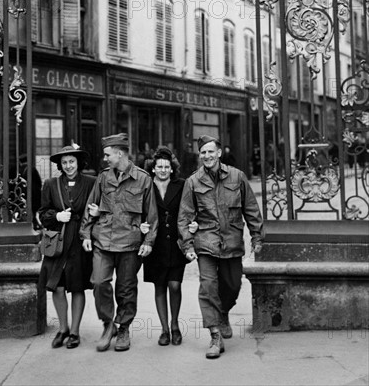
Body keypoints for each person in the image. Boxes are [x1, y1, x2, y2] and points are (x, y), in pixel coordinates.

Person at [177, 135, 264, 360]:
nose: (206, 156)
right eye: (202, 152)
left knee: (233, 284)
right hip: (206, 242)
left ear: (218, 153)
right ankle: (215, 335)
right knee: (207, 287)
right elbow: (184, 216)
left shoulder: (237, 176)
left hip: (232, 241)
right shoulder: (193, 182)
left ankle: (223, 311)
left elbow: (251, 209)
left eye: (210, 151)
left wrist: (257, 237)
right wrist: (187, 243)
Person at [80, 133, 158, 353]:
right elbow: (90, 205)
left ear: (120, 153)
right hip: (103, 240)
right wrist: (85, 234)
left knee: (126, 289)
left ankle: (123, 327)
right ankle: (108, 324)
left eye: (107, 154)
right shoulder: (103, 178)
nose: (104, 158)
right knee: (98, 282)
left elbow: (151, 216)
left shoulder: (143, 179)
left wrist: (149, 241)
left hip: (130, 244)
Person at [38, 144, 96, 349]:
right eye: (64, 163)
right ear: (60, 165)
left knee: (78, 286)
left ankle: (75, 332)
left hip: (80, 240)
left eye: (72, 161)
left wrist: (95, 214)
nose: (69, 166)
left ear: (78, 162)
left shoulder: (91, 182)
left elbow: (99, 208)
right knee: (58, 285)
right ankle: (62, 329)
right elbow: (42, 213)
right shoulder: (50, 184)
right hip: (58, 241)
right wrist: (56, 216)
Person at [142, 146, 197, 347]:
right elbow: (140, 210)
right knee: (159, 286)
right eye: (159, 167)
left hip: (175, 241)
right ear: (153, 169)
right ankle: (164, 330)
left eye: (167, 167)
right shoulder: (147, 186)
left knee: (174, 285)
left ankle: (175, 325)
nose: (163, 170)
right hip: (155, 243)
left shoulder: (182, 185)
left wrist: (194, 223)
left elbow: (192, 208)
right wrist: (141, 225)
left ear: (172, 169)